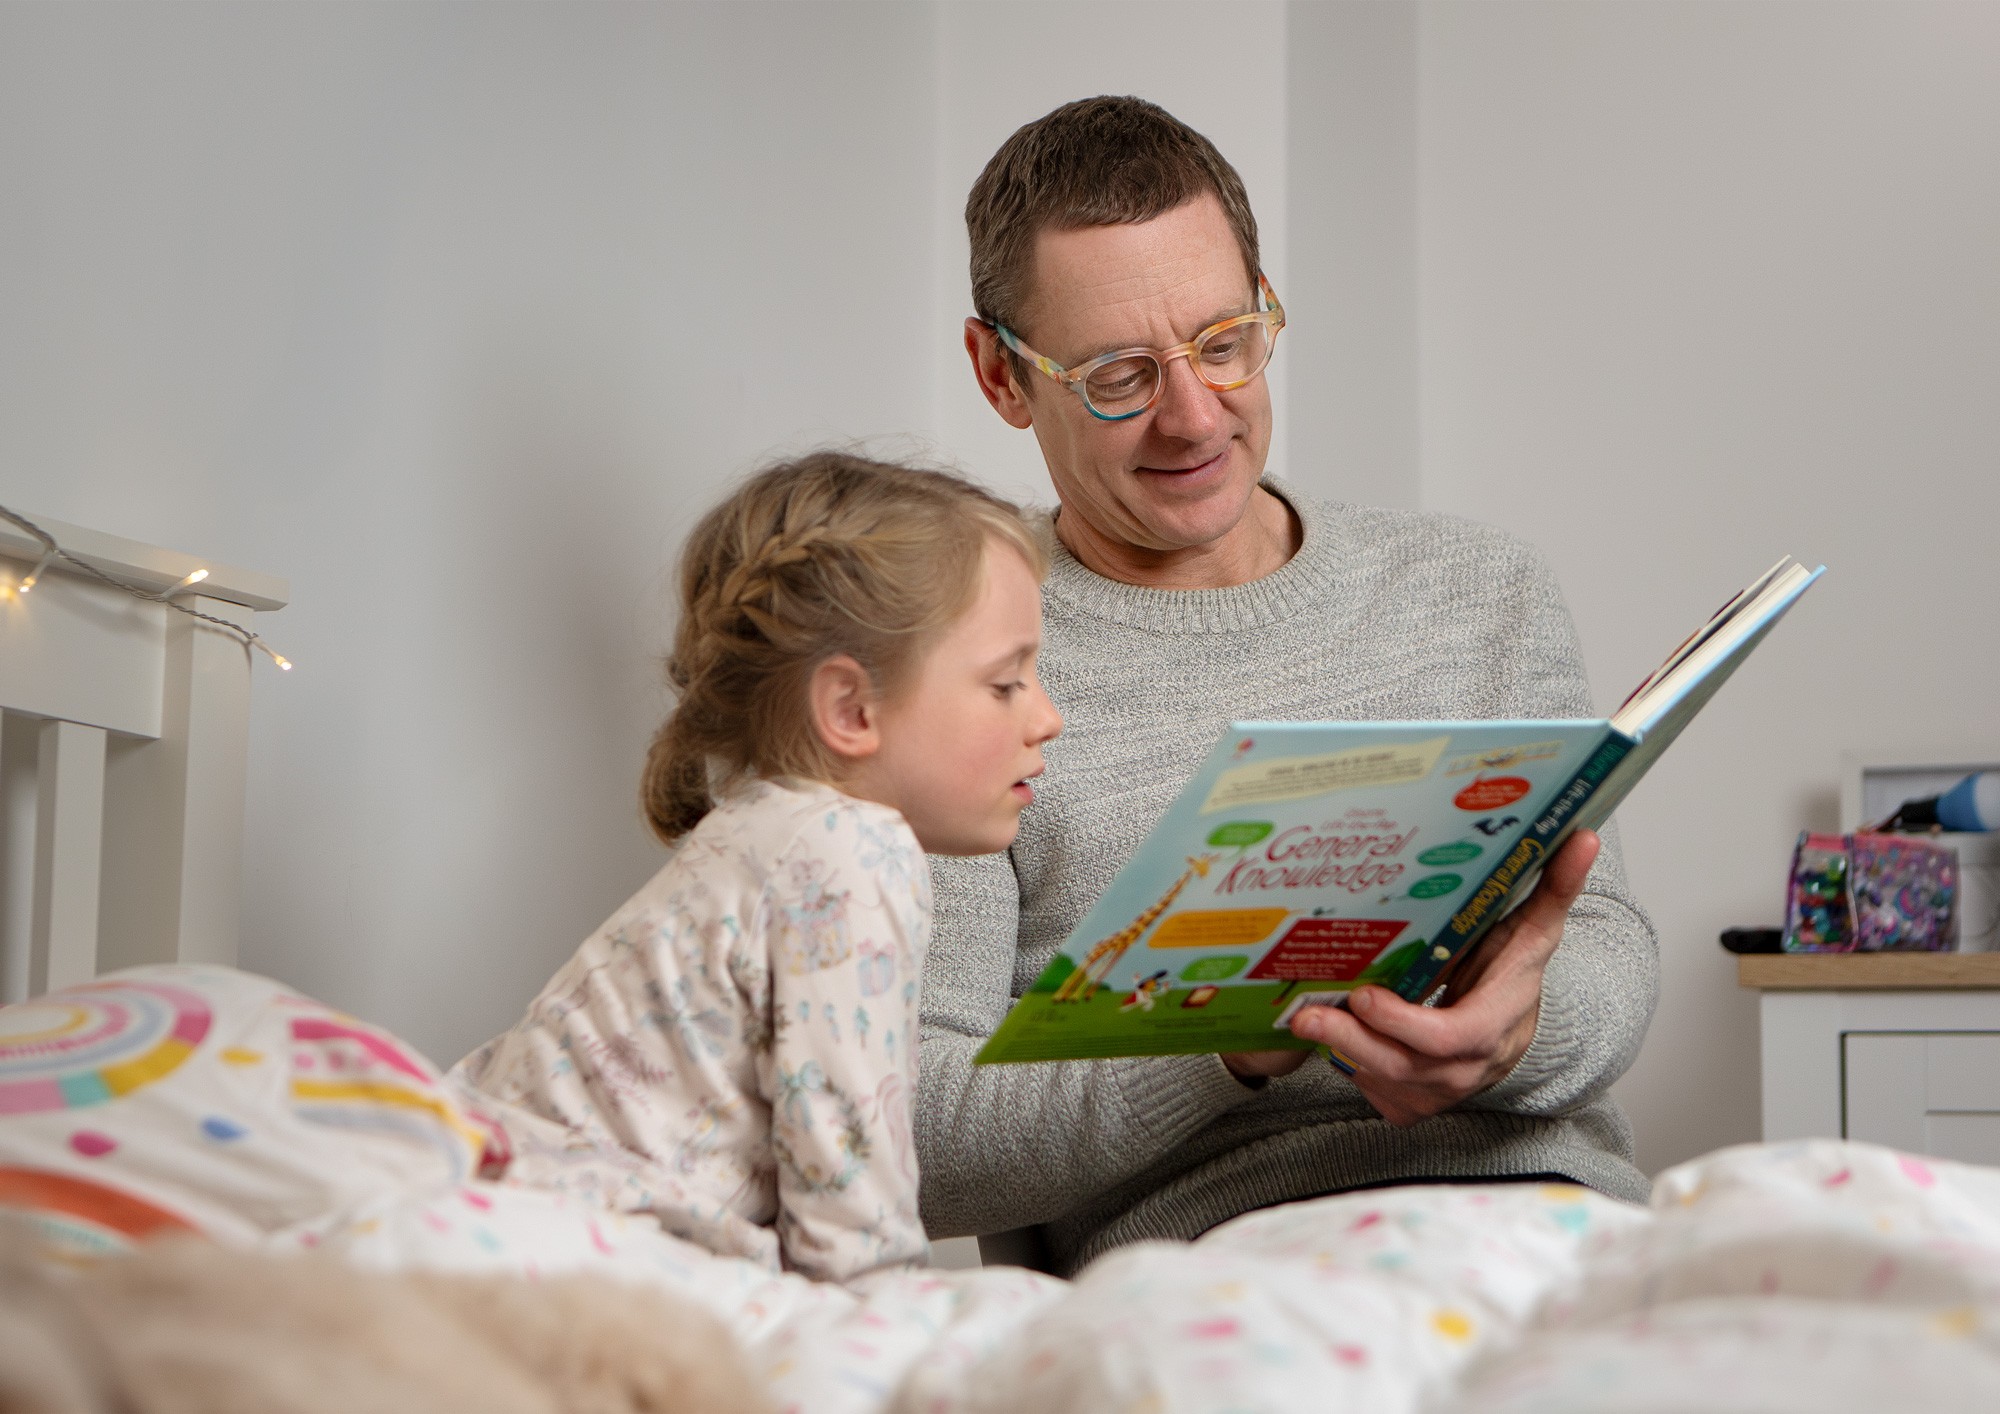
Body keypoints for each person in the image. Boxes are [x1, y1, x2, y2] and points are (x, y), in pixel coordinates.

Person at [916, 96, 1660, 1276]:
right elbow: (918, 1143)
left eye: (1223, 341)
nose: (1193, 414)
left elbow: (1604, 939)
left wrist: (1511, 1031)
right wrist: (1227, 1044)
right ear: (1000, 375)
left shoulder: (1477, 588)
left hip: (1554, 1222)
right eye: (1118, 373)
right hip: (1221, 1270)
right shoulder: (955, 661)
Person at [453, 452, 1062, 1282]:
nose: (1048, 717)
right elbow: (852, 1221)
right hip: (555, 1252)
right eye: (1006, 684)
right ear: (851, 709)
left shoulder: (767, 834)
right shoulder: (849, 854)